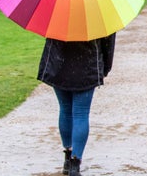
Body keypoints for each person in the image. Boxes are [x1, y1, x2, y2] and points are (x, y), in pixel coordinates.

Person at [37, 34, 116, 176]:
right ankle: (75, 163)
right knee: (81, 113)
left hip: (59, 63)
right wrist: (105, 68)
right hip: (87, 65)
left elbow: (48, 35)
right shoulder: (98, 13)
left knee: (65, 110)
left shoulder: (57, 11)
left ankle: (67, 157)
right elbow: (108, 43)